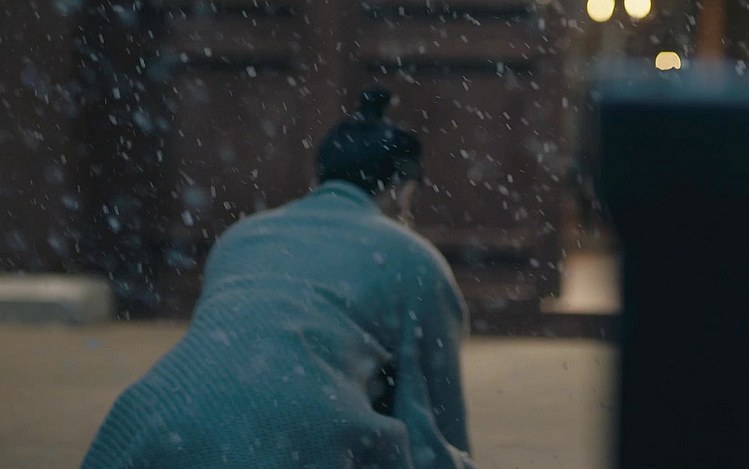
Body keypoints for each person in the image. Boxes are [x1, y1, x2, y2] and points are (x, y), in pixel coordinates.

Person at [81, 88, 477, 469]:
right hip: (299, 429)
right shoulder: (413, 257)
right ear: (402, 191)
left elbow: (230, 352)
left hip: (154, 418)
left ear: (318, 179)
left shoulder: (242, 235)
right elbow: (433, 414)